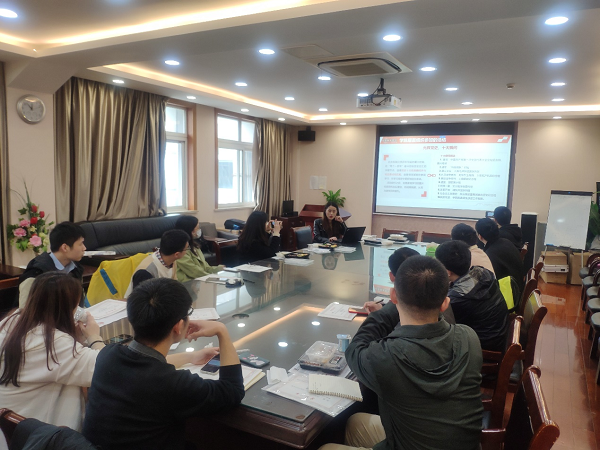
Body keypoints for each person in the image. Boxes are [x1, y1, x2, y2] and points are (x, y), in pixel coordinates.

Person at [320, 256, 482, 450]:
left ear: (394, 296)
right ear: (445, 304)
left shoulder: (386, 356)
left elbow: (355, 349)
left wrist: (388, 308)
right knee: (356, 422)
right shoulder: (469, 338)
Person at [83, 278, 244, 450]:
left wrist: (191, 357)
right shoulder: (173, 384)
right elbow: (232, 390)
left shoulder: (107, 355)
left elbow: (145, 365)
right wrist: (221, 330)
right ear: (178, 326)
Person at [0, 272, 104, 430]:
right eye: (76, 305)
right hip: (41, 435)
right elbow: (107, 369)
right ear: (65, 309)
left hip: (11, 430)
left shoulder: (12, 320)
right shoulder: (55, 344)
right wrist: (94, 337)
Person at [435, 240, 508, 352]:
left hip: (483, 347)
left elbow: (439, 325)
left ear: (448, 272)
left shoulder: (457, 299)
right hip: (497, 335)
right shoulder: (482, 272)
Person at [17, 221, 86, 308]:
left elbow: (80, 304)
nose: (84, 248)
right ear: (65, 247)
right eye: (80, 244)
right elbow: (25, 310)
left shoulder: (76, 269)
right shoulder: (36, 272)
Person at [124, 229, 190, 297]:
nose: (187, 252)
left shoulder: (172, 261)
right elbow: (142, 300)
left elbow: (174, 286)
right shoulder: (145, 271)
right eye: (186, 249)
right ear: (177, 254)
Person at [476, 218, 525, 296]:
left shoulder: (490, 254)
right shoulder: (506, 242)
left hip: (508, 296)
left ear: (480, 236)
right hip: (517, 288)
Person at [174, 215, 224, 282]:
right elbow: (194, 271)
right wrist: (213, 278)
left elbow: (205, 267)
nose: (199, 230)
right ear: (190, 230)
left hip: (199, 280)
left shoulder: (195, 246)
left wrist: (220, 269)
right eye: (197, 228)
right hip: (187, 283)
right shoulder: (179, 250)